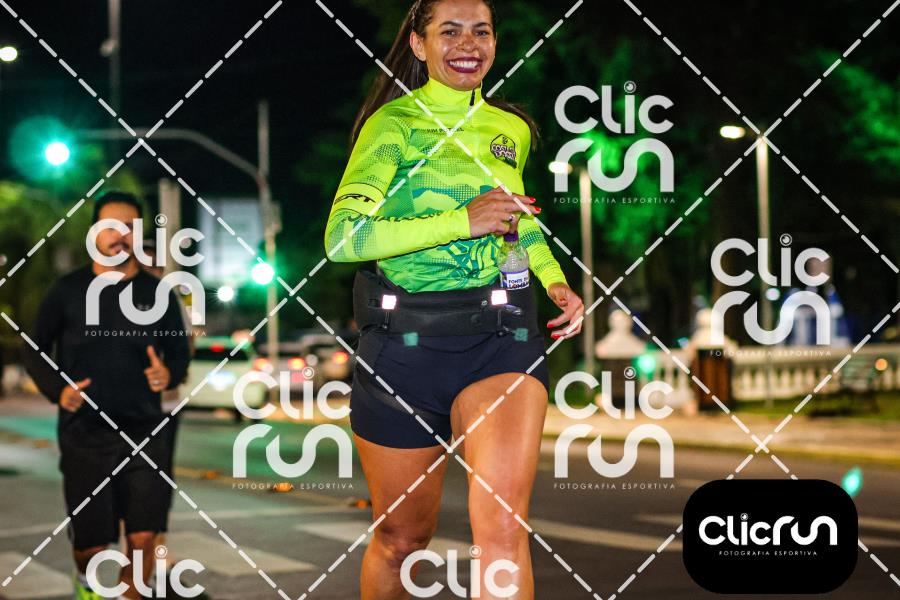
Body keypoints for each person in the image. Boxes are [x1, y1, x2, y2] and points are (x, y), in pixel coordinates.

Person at [324, 1, 584, 598]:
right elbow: (343, 239)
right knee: (401, 539)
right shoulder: (392, 126)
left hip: (501, 339)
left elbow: (514, 219)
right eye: (450, 31)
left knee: (502, 531)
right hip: (404, 349)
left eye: (481, 31)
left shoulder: (510, 128)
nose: (468, 43)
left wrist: (552, 280)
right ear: (419, 45)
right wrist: (461, 221)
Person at [22, 191, 191, 600]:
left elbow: (179, 355)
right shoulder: (67, 290)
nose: (120, 235)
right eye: (110, 226)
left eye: (129, 227)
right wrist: (58, 390)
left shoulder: (158, 293)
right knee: (93, 546)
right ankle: (86, 579)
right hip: (85, 433)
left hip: (146, 430)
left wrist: (167, 373)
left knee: (144, 537)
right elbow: (34, 348)